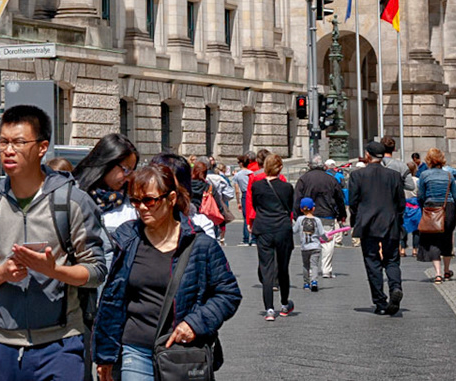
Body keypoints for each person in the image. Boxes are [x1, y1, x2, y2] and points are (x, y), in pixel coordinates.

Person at [0, 104, 108, 381]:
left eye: (18, 142)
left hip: (61, 344)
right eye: (2, 142)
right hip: (5, 345)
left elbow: (96, 271)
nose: (8, 150)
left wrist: (54, 271)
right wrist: (1, 273)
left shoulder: (71, 202)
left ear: (42, 147)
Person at [91, 161, 241, 381]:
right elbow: (112, 299)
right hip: (135, 348)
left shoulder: (200, 245)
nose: (142, 207)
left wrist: (195, 324)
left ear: (171, 199)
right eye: (135, 201)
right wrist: (104, 355)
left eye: (149, 200)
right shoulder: (128, 239)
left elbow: (229, 294)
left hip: (181, 351)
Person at [348, 141, 406, 316]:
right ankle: (395, 287)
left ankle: (380, 302)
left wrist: (356, 220)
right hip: (390, 222)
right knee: (392, 260)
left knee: (372, 262)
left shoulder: (357, 176)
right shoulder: (394, 176)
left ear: (367, 155)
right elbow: (401, 203)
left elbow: (353, 202)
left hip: (368, 224)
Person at [243, 152, 295, 321]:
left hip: (263, 227)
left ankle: (269, 309)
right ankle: (285, 304)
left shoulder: (257, 187)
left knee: (266, 269)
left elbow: (256, 206)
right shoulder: (287, 188)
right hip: (282, 228)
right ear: (280, 168)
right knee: (283, 268)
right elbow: (290, 208)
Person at [71, 133, 139, 241]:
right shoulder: (74, 195)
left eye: (131, 171)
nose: (128, 178)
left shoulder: (131, 205)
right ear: (108, 163)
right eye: (125, 169)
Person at [294, 155, 346, 289]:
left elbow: (297, 197)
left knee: (310, 240)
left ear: (309, 166)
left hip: (308, 215)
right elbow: (339, 197)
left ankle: (311, 269)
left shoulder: (303, 179)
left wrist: (296, 215)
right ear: (323, 166)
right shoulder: (331, 179)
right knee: (327, 241)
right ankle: (327, 270)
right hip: (327, 213)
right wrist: (342, 215)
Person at [414, 147, 456, 283]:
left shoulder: (424, 175)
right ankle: (447, 270)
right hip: (448, 208)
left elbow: (421, 195)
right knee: (447, 238)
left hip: (431, 208)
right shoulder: (449, 175)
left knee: (432, 239)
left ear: (428, 160)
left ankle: (438, 273)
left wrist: (424, 206)